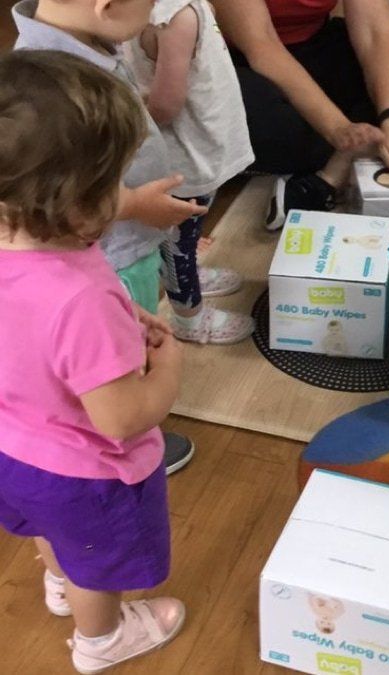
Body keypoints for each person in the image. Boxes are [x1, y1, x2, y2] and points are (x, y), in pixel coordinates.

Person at [0, 50, 185, 673]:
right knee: (97, 561)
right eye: (113, 186)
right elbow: (122, 418)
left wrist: (114, 329)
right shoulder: (81, 298)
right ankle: (101, 640)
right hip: (87, 473)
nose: (122, 197)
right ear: (74, 203)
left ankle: (63, 584)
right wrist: (170, 367)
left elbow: (27, 332)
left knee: (58, 536)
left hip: (14, 450)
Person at [13, 0, 200, 474]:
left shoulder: (32, 74)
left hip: (25, 461)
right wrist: (169, 368)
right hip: (100, 479)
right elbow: (120, 413)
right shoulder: (53, 90)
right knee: (117, 366)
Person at [214, 0, 389, 229]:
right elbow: (263, 47)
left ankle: (340, 164)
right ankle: (359, 151)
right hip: (243, 62)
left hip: (318, 46)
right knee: (233, 110)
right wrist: (338, 129)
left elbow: (375, 31)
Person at [126, 0, 256, 344]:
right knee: (178, 240)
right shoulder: (176, 15)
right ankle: (189, 317)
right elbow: (165, 105)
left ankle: (187, 277)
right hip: (185, 154)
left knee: (186, 233)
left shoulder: (178, 9)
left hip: (194, 147)